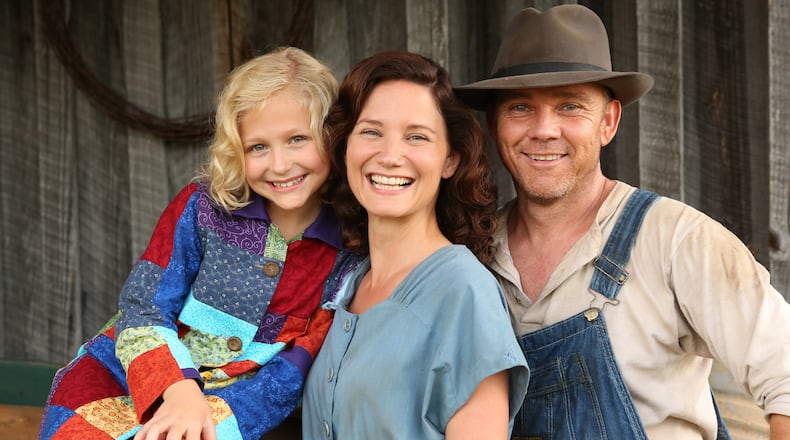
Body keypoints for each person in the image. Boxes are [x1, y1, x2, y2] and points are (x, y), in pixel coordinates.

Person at [454, 4, 790, 439]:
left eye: (570, 106)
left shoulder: (676, 240)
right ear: (495, 123)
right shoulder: (473, 260)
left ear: (608, 122)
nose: (543, 129)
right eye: (520, 107)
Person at [39, 46, 360, 440]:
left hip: (239, 399)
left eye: (297, 139)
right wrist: (178, 389)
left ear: (332, 136)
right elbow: (144, 307)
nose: (279, 164)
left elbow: (298, 362)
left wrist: (214, 416)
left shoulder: (349, 244)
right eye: (258, 146)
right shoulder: (204, 208)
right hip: (131, 372)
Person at [301, 51, 530, 439]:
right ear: (345, 148)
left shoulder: (463, 293)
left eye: (417, 137)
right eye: (371, 132)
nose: (390, 156)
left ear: (450, 161)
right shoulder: (346, 284)